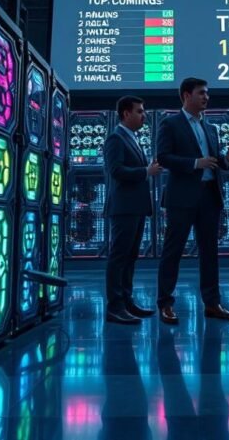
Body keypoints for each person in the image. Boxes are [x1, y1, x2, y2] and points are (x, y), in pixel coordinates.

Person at [156, 77, 229, 325]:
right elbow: (163, 157)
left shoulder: (211, 128)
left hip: (209, 196)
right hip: (181, 198)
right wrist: (195, 163)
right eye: (201, 93)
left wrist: (228, 159)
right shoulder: (170, 124)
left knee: (210, 252)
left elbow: (216, 163)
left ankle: (212, 303)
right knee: (172, 251)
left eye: (207, 93)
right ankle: (165, 304)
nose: (206, 97)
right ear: (186, 95)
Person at [103, 95, 162, 324]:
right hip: (123, 208)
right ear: (126, 114)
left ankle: (126, 302)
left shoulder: (133, 139)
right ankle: (115, 307)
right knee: (119, 257)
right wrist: (146, 171)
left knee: (130, 257)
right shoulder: (115, 139)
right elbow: (116, 171)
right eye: (139, 111)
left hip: (135, 207)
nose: (143, 115)